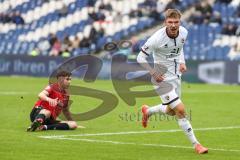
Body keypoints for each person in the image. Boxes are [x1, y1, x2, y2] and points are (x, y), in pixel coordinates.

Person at [137, 9, 208, 154]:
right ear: (165, 23)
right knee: (180, 110)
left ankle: (148, 111)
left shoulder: (184, 32)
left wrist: (182, 61)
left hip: (176, 77)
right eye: (170, 22)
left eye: (176, 22)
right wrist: (153, 72)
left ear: (180, 22)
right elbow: (140, 58)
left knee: (171, 111)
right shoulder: (156, 39)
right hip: (161, 79)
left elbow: (179, 48)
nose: (174, 25)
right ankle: (197, 145)